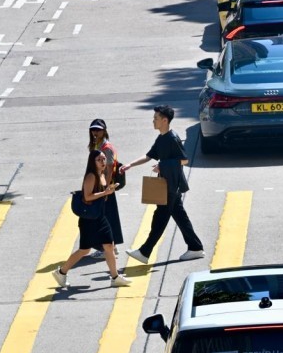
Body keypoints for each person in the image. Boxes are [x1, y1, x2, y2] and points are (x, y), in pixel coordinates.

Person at [124, 105, 206, 263]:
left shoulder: (172, 138)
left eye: (155, 118)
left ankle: (145, 251)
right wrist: (130, 164)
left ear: (165, 120)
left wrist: (163, 165)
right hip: (168, 185)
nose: (153, 121)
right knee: (180, 217)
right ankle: (195, 248)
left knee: (159, 219)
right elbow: (149, 156)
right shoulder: (161, 138)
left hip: (171, 186)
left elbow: (184, 160)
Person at [51, 151, 130, 288]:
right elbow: (87, 197)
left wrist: (110, 189)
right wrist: (105, 193)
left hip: (100, 217)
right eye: (99, 159)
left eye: (104, 159)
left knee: (109, 245)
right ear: (92, 162)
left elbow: (102, 195)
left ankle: (115, 277)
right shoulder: (91, 176)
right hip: (89, 220)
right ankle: (61, 272)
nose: (102, 162)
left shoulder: (102, 175)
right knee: (84, 250)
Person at [89, 119, 123, 256]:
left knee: (105, 219)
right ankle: (109, 247)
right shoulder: (97, 144)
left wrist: (105, 191)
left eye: (98, 130)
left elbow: (109, 170)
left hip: (105, 187)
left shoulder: (106, 148)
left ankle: (109, 249)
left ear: (104, 131)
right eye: (93, 129)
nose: (95, 132)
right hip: (100, 186)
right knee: (106, 218)